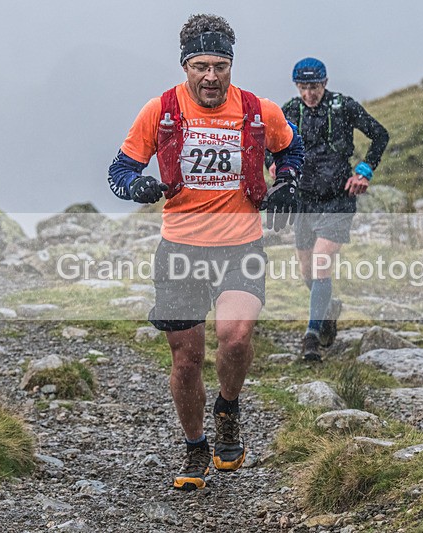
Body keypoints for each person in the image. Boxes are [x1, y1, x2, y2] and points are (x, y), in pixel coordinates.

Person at [107, 14, 304, 491]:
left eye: (220, 65)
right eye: (200, 66)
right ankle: (196, 446)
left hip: (241, 245)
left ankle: (229, 409)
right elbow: (119, 171)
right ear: (186, 66)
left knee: (234, 337)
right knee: (187, 359)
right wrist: (138, 186)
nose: (211, 76)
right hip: (181, 249)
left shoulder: (260, 110)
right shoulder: (161, 109)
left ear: (231, 65)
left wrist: (288, 183)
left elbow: (291, 153)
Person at [271, 57, 389, 362]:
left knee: (322, 263)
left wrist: (363, 171)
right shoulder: (288, 112)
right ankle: (329, 306)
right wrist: (274, 165)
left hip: (338, 197)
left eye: (315, 87)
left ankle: (311, 337)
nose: (310, 94)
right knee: (306, 272)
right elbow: (267, 144)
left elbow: (380, 134)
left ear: (325, 83)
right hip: (304, 200)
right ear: (297, 87)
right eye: (304, 88)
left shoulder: (344, 106)